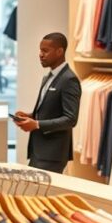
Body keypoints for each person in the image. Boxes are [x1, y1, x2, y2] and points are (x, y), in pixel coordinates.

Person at [15, 32, 81, 173]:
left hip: (52, 154)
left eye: (45, 51)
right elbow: (50, 111)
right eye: (40, 50)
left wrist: (37, 124)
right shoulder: (48, 77)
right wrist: (30, 116)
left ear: (59, 51)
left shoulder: (69, 80)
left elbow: (70, 119)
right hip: (39, 150)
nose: (40, 54)